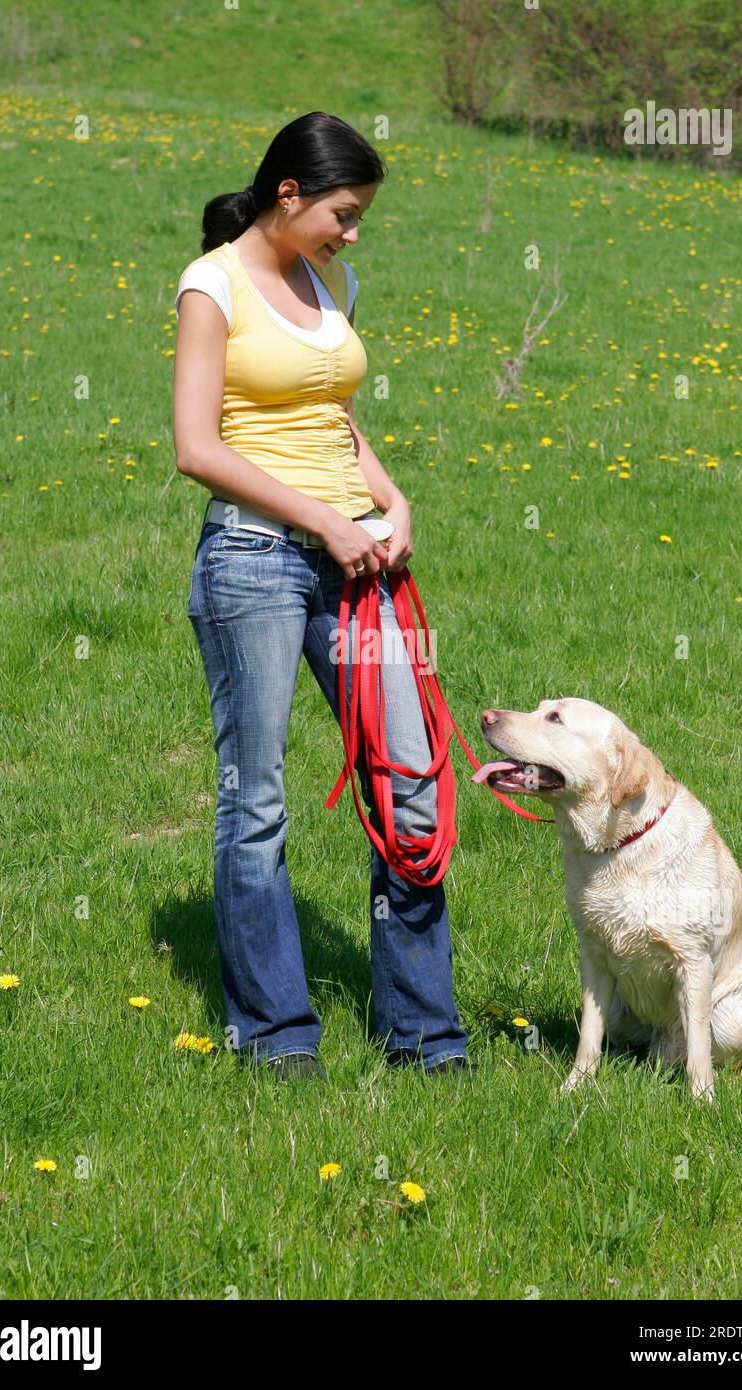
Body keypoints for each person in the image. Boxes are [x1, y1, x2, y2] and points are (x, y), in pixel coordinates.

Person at [172, 111, 471, 1080]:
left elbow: (332, 415)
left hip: (360, 566)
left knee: (413, 788)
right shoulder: (211, 286)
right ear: (288, 194)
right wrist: (323, 519)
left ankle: (424, 1038)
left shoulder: (328, 280)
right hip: (254, 562)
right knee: (254, 803)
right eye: (343, 214)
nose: (353, 234)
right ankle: (274, 1036)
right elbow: (197, 447)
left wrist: (389, 499)